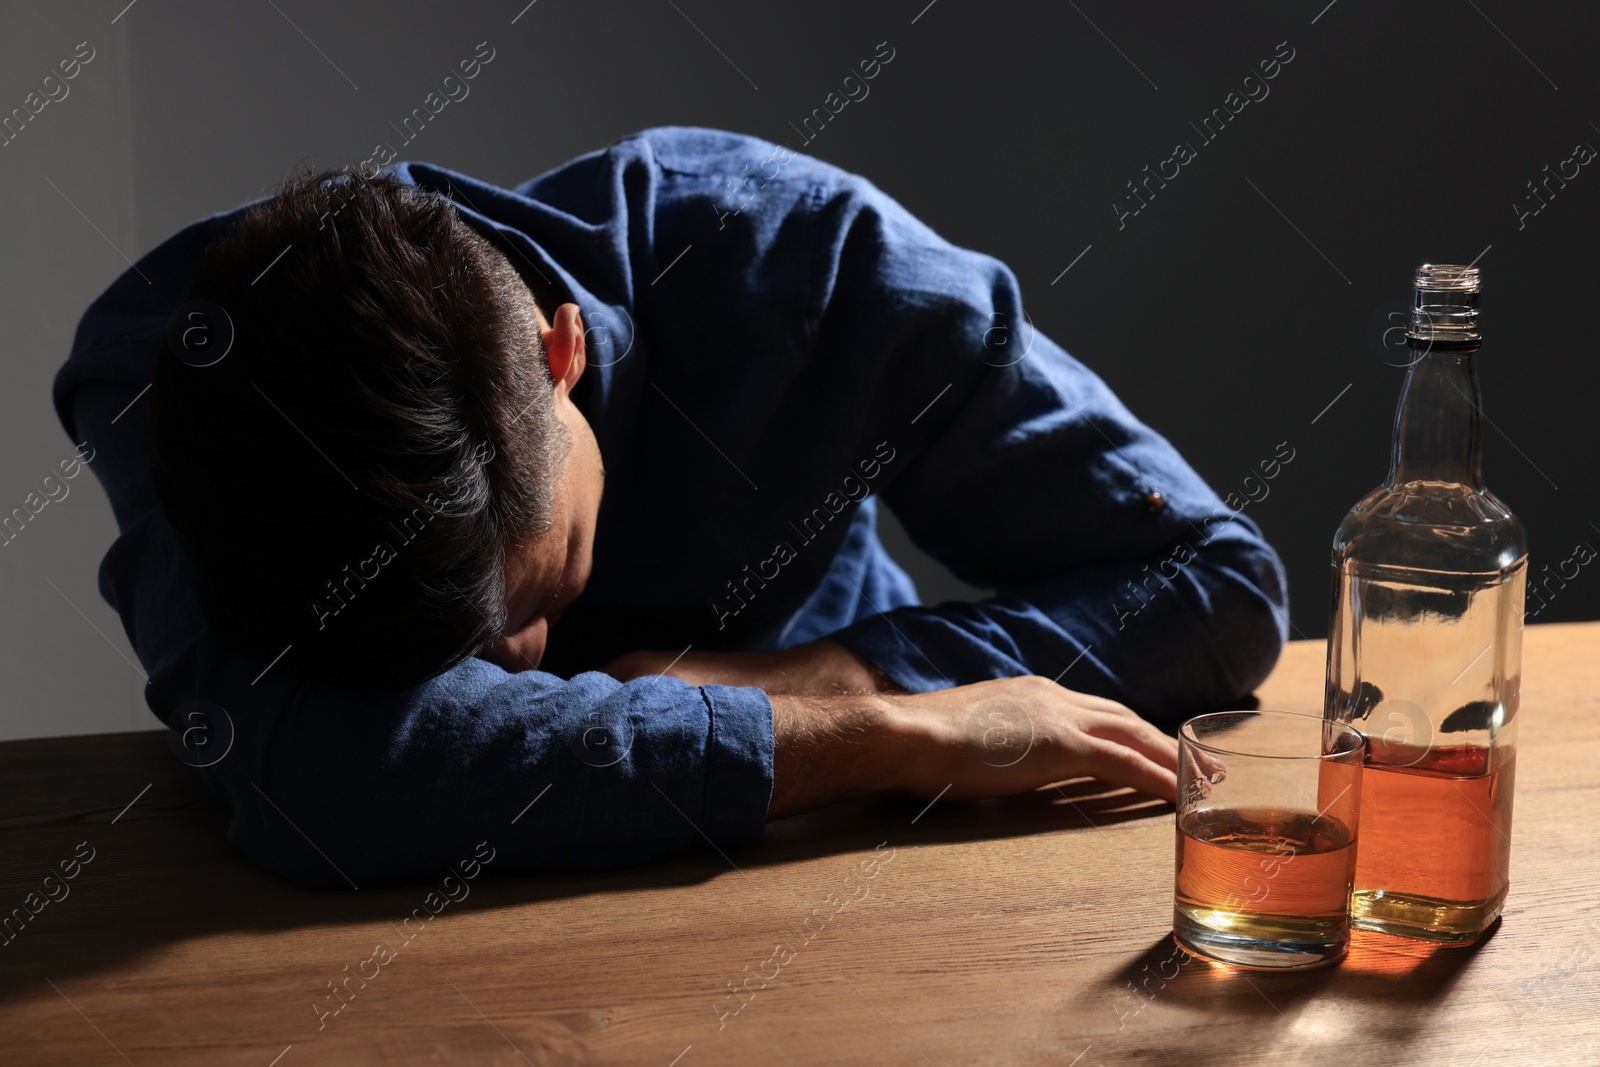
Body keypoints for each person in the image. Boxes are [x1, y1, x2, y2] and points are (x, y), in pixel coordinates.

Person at [54, 127, 1288, 889]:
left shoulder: (806, 266)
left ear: (561, 355)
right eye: (449, 651)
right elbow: (315, 778)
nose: (518, 669)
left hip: (840, 871)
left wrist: (837, 669)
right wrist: (856, 724)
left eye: (534, 591)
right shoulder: (172, 371)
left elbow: (1217, 588)